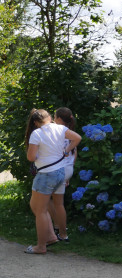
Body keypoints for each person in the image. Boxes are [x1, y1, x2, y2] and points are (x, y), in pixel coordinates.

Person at [24, 108, 81, 254]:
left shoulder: (37, 133)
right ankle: (51, 235)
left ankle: (41, 246)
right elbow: (77, 138)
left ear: (36, 122)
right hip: (60, 173)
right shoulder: (61, 128)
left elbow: (31, 157)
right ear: (49, 117)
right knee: (35, 205)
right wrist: (67, 150)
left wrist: (38, 155)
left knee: (41, 210)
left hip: (46, 174)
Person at [49, 107, 78, 243]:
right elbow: (74, 154)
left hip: (57, 169)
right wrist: (69, 175)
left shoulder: (56, 132)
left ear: (59, 119)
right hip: (67, 169)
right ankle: (62, 233)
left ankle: (55, 228)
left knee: (44, 200)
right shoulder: (71, 133)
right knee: (58, 203)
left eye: (54, 117)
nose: (53, 119)